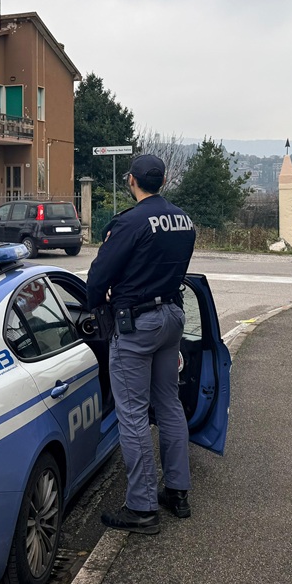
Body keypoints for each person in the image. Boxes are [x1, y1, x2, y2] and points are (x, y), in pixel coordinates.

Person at [85, 153, 197, 534]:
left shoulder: (130, 222)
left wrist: (95, 302)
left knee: (131, 413)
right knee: (168, 403)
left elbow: (99, 274)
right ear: (163, 181)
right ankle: (177, 492)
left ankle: (143, 507)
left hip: (137, 326)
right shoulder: (182, 219)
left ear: (131, 180)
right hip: (172, 319)